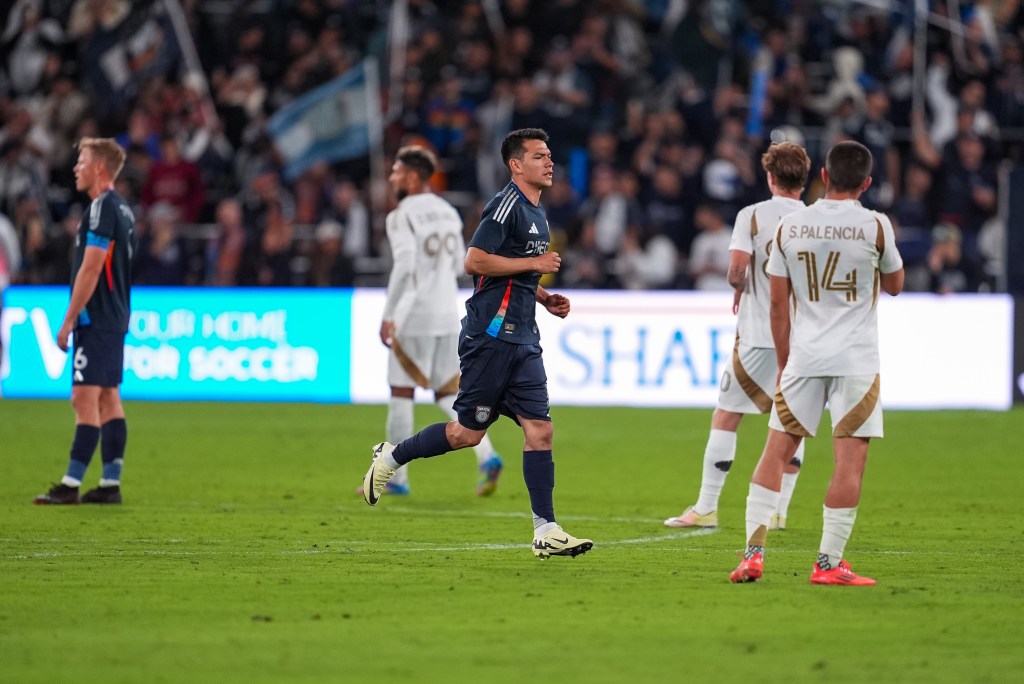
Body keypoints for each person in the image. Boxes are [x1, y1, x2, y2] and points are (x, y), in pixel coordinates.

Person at [361, 128, 592, 560]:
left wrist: (543, 297)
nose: (549, 162)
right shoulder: (506, 205)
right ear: (516, 165)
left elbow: (509, 273)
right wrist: (536, 264)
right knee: (466, 433)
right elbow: (475, 260)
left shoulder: (539, 213)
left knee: (540, 430)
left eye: (549, 155)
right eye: (539, 156)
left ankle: (547, 529)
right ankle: (391, 457)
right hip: (490, 337)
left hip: (523, 337)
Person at [729, 140, 904, 586]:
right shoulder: (876, 225)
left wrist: (786, 360)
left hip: (803, 357)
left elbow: (777, 305)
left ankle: (752, 555)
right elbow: (897, 284)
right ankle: (827, 565)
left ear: (824, 176)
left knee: (775, 452)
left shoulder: (792, 225)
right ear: (866, 183)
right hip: (855, 360)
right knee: (848, 463)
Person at [665, 142, 811, 531]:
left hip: (760, 334)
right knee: (792, 418)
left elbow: (734, 272)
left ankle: (707, 507)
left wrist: (741, 285)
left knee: (727, 415)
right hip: (805, 337)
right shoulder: (814, 220)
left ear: (770, 176)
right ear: (803, 179)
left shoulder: (752, 215)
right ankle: (779, 510)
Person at [367, 145, 503, 497]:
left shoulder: (401, 214)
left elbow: (406, 265)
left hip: (415, 314)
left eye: (396, 171)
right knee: (446, 391)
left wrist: (389, 315)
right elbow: (462, 262)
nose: (392, 177)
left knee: (401, 391)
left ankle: (395, 478)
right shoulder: (447, 211)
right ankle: (487, 455)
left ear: (412, 177)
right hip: (446, 312)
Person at [34, 137, 136, 505]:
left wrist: (68, 320)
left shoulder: (100, 208)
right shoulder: (123, 209)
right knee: (109, 398)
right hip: (117, 314)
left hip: (97, 317)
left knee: (83, 397)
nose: (76, 167)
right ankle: (110, 484)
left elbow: (92, 267)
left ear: (99, 168)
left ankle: (71, 484)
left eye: (82, 161)